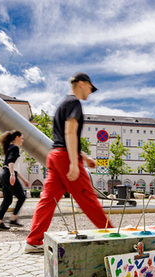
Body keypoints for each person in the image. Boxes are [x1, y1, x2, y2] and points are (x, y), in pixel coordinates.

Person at [24, 72, 112, 253]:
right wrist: (74, 162)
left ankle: (33, 241)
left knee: (47, 201)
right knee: (87, 198)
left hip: (55, 155)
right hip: (65, 157)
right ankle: (112, 234)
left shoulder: (62, 104)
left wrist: (84, 157)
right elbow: (70, 132)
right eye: (90, 87)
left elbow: (64, 136)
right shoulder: (74, 104)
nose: (90, 92)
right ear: (82, 84)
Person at [0, 130, 29, 231]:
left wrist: (23, 179)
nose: (22, 140)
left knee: (7, 200)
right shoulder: (14, 148)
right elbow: (11, 162)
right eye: (21, 138)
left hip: (4, 174)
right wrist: (12, 175)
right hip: (8, 173)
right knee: (21, 196)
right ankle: (13, 219)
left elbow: (12, 166)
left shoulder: (10, 147)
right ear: (16, 137)